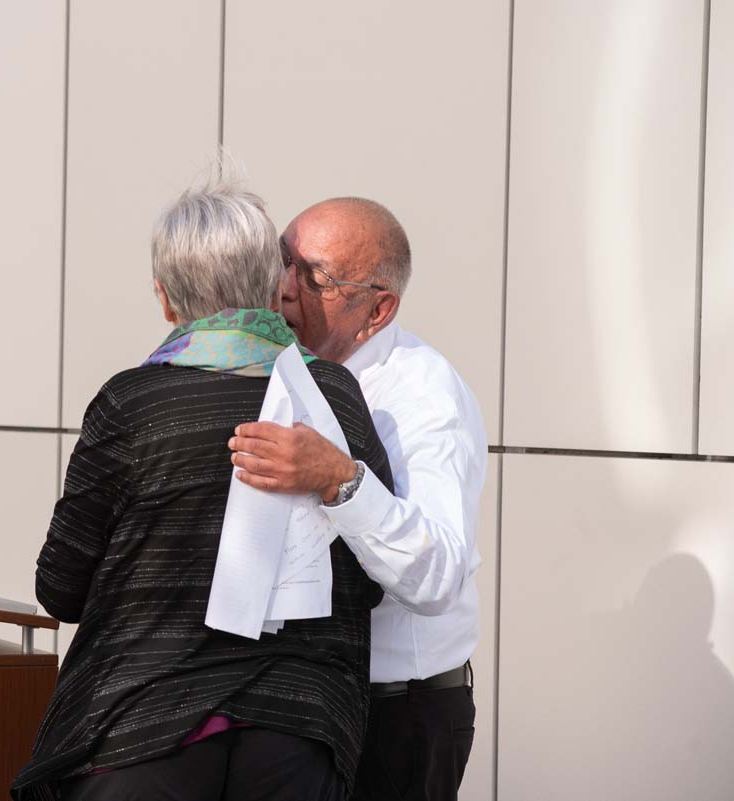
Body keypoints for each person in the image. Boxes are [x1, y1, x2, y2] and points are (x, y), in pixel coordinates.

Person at [12, 177, 393, 801]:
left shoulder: (132, 404)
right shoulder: (333, 396)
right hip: (297, 728)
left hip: (141, 725)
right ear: (275, 285)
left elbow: (61, 589)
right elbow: (372, 578)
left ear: (166, 299)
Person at [227, 197, 487, 801]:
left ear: (378, 309)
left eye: (314, 278)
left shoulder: (423, 396)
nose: (284, 289)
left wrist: (340, 480)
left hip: (394, 716)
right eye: (282, 262)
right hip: (296, 705)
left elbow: (437, 576)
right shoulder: (276, 366)